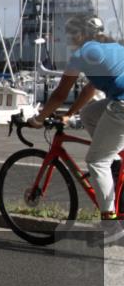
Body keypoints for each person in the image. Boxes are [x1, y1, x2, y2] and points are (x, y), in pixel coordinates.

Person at [28, 15, 124, 236]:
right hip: (118, 101)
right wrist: (70, 114)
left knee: (96, 160)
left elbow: (60, 94)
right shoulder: (109, 47)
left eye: (71, 34)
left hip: (122, 104)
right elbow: (90, 89)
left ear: (80, 35)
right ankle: (116, 160)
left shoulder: (81, 55)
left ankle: (110, 224)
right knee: (89, 113)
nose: (69, 39)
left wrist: (39, 119)